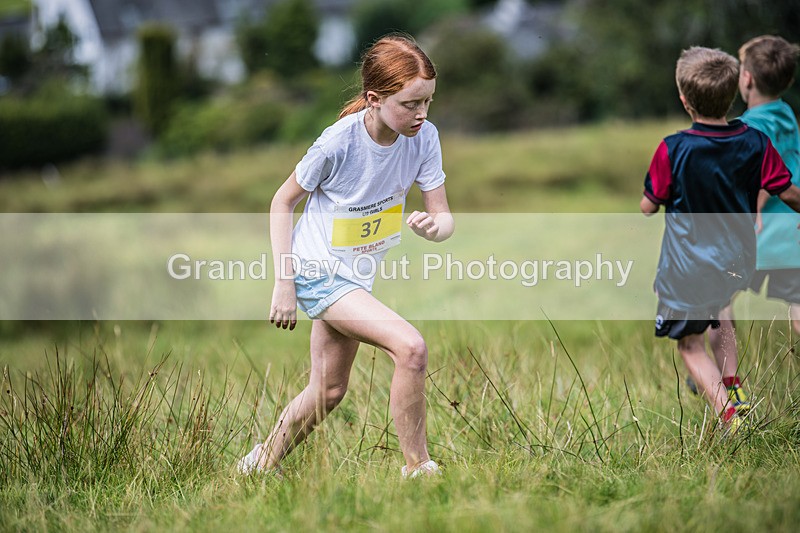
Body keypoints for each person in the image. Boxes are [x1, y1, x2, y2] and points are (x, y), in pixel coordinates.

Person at [237, 34, 454, 479]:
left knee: (329, 390)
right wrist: (285, 282)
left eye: (427, 102)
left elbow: (444, 218)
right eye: (410, 104)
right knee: (410, 348)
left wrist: (435, 228)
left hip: (355, 277)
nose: (421, 114)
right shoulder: (338, 142)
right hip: (318, 273)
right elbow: (282, 202)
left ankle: (258, 465)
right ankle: (419, 469)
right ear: (375, 99)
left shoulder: (424, 138)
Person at [640, 46, 800, 433]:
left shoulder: (672, 148)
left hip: (688, 268)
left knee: (690, 344)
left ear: (683, 99)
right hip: (738, 261)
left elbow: (648, 206)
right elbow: (787, 191)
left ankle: (731, 415)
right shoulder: (755, 143)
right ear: (733, 93)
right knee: (719, 307)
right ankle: (732, 387)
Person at [702, 36, 800, 416]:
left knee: (718, 305)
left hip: (756, 236)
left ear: (745, 79)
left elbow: (756, 178)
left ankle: (732, 389)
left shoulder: (743, 128)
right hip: (792, 233)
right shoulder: (787, 115)